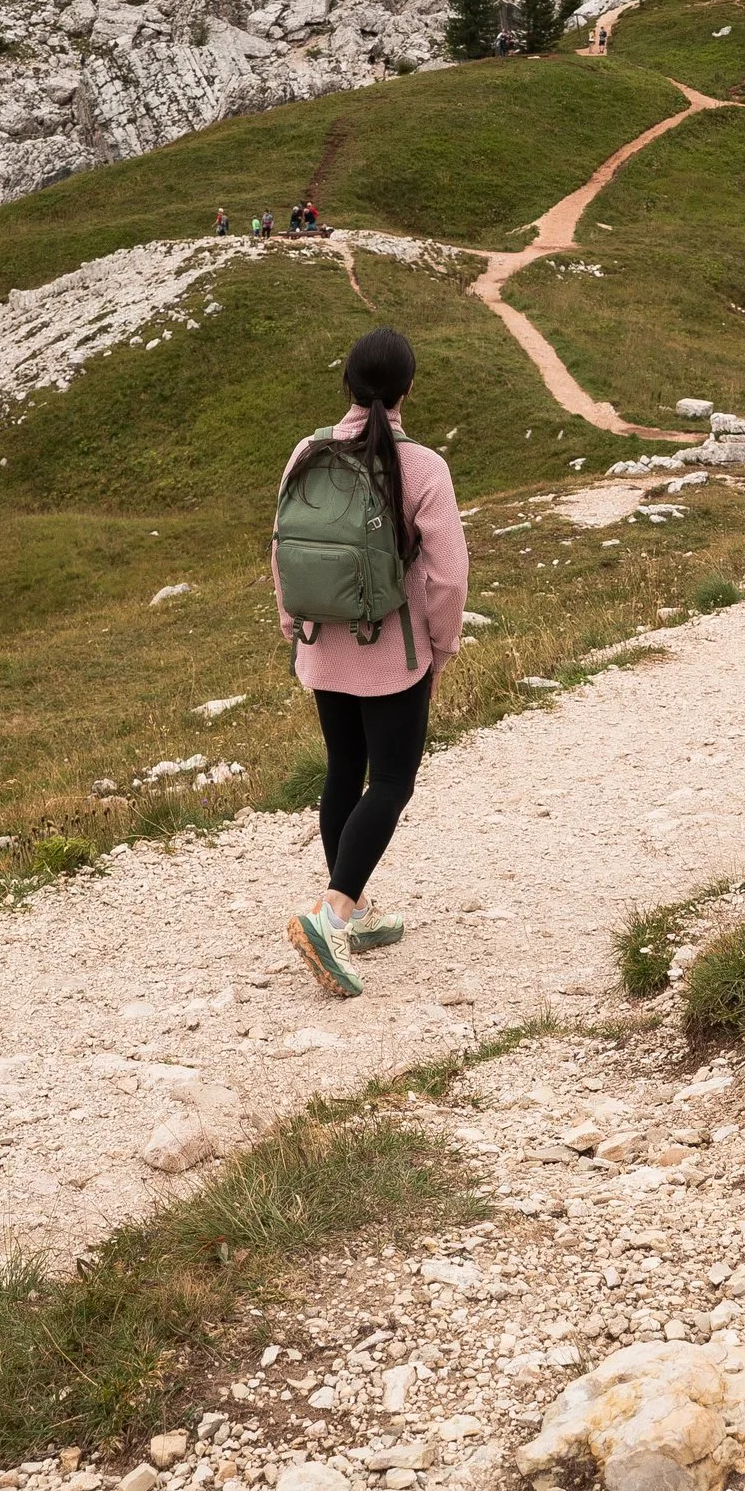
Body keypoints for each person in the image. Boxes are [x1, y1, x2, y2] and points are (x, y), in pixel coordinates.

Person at [275, 325, 467, 1000]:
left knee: (344, 772)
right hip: (394, 652)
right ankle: (331, 916)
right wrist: (442, 646)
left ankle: (351, 910)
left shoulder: (308, 451)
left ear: (348, 386)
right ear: (409, 389)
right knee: (391, 781)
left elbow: (283, 546)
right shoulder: (423, 468)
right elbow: (446, 579)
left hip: (323, 641)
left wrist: (295, 626)